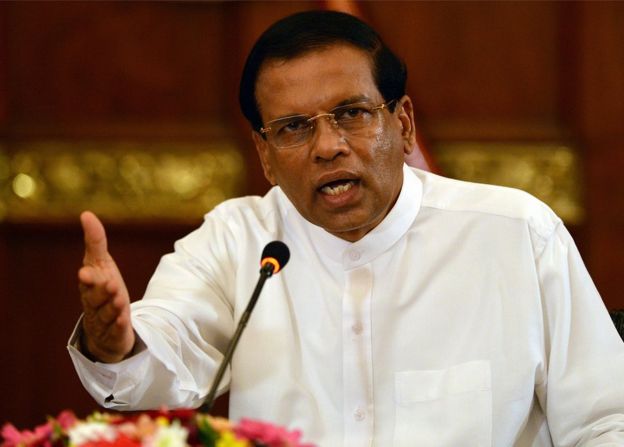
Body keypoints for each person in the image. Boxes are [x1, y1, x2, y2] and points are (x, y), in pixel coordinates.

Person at [68, 10, 624, 447]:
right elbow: (161, 354)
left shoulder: (515, 234)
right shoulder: (239, 241)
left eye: (352, 114)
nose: (328, 146)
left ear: (402, 123)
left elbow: (607, 422)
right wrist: (115, 343)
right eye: (293, 128)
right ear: (264, 155)